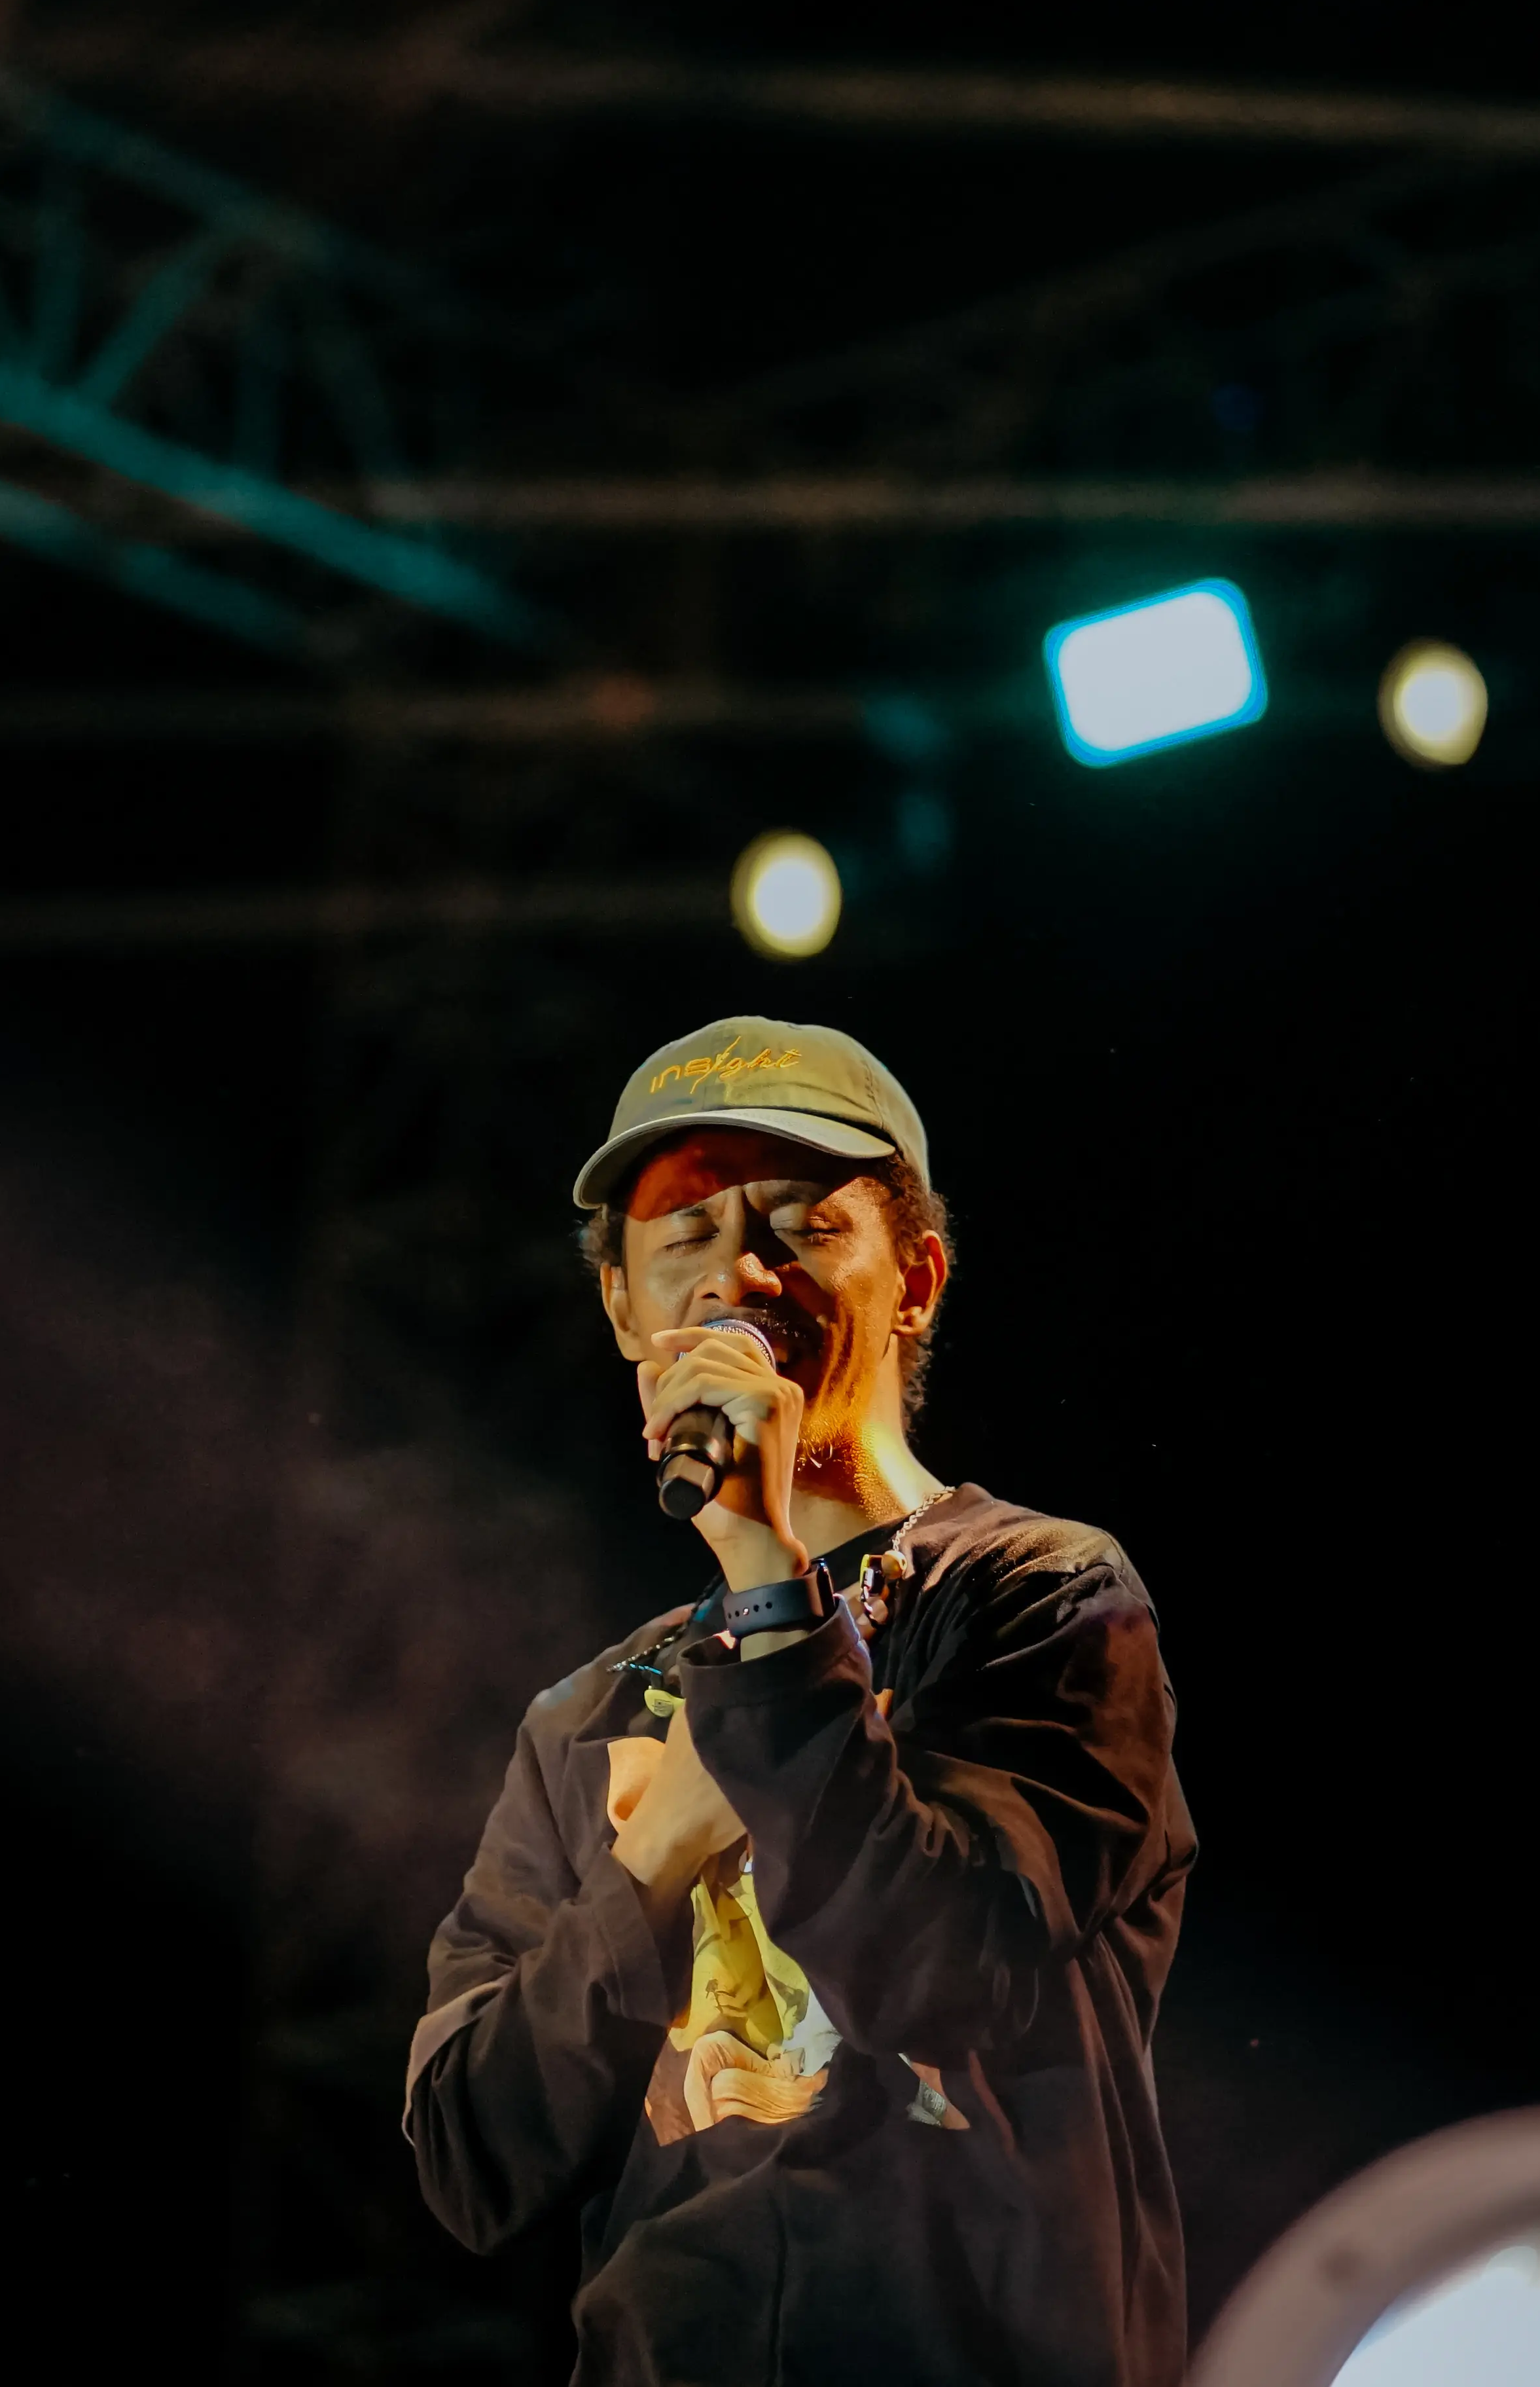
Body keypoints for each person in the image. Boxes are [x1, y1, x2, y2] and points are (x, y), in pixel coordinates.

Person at [405, 1015, 1194, 2386]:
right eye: (687, 1237)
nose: (740, 1275)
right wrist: (653, 1857)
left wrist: (771, 1596)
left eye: (803, 1226)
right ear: (625, 1309)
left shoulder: (1043, 1596)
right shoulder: (590, 1718)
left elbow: (944, 1968)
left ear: (917, 1281)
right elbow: (473, 2156)